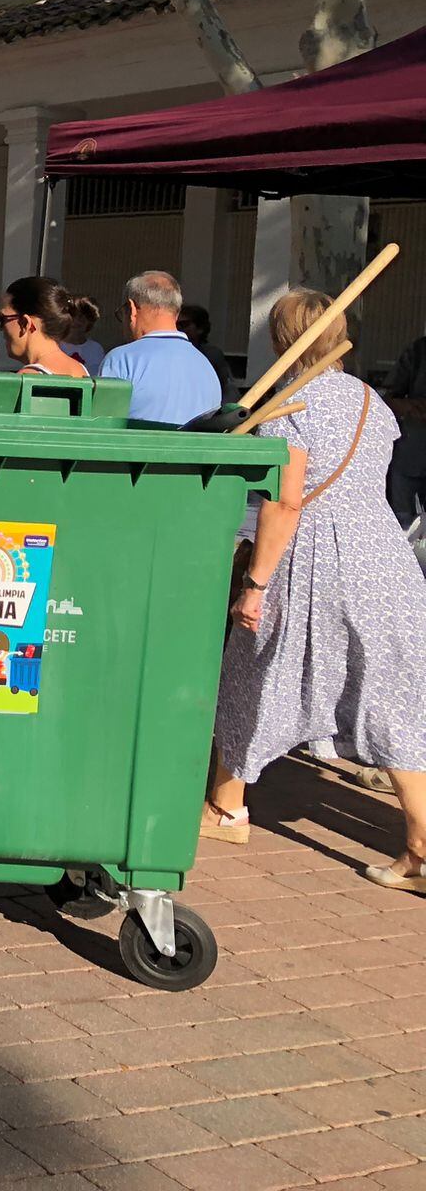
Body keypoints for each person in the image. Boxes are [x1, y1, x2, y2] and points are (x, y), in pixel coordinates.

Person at [204, 290, 426, 894]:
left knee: (254, 674)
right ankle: (421, 847)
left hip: (318, 563)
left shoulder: (290, 406)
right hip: (386, 559)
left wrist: (255, 585)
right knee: (390, 698)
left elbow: (287, 501)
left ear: (282, 339)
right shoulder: (371, 402)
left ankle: (227, 808)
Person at [98, 271, 221, 426]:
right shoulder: (206, 366)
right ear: (176, 313)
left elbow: (102, 430)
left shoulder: (121, 359)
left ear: (132, 309)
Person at [0, 277, 92, 377]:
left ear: (25, 323)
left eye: (0, 318)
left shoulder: (26, 380)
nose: (1, 328)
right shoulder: (81, 371)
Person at [382, 332, 426, 525]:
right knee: (404, 524)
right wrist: (410, 407)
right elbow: (387, 400)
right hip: (412, 455)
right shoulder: (419, 351)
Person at [177, 304, 237, 400]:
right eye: (175, 325)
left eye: (184, 325)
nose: (178, 329)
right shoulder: (169, 354)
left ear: (200, 328)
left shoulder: (212, 354)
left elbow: (225, 386)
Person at [59, 300, 107, 375]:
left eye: (82, 317)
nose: (77, 321)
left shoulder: (96, 349)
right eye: (73, 315)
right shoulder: (55, 345)